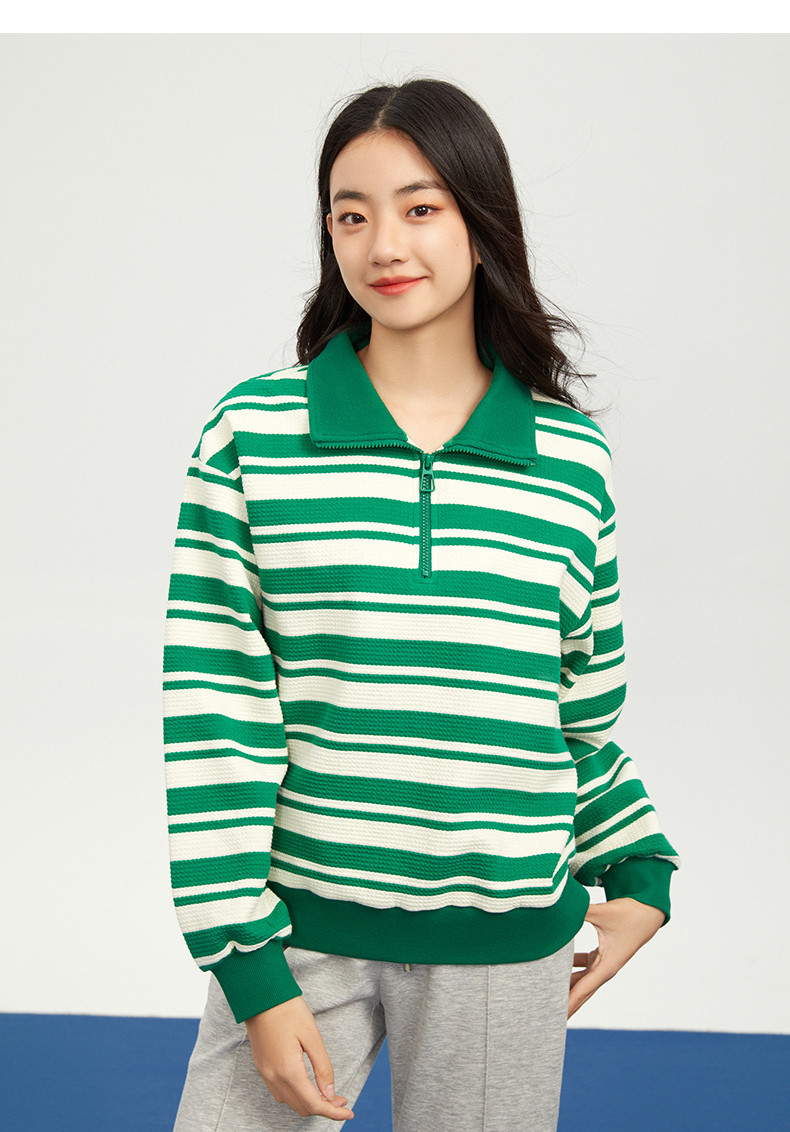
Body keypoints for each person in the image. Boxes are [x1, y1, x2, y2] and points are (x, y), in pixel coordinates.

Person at [163, 78, 679, 1132]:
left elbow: (574, 713)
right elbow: (214, 710)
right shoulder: (252, 435)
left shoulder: (570, 460)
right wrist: (247, 965)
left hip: (507, 940)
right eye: (350, 215)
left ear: (481, 224)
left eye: (420, 207)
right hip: (297, 936)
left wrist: (638, 867)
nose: (383, 244)